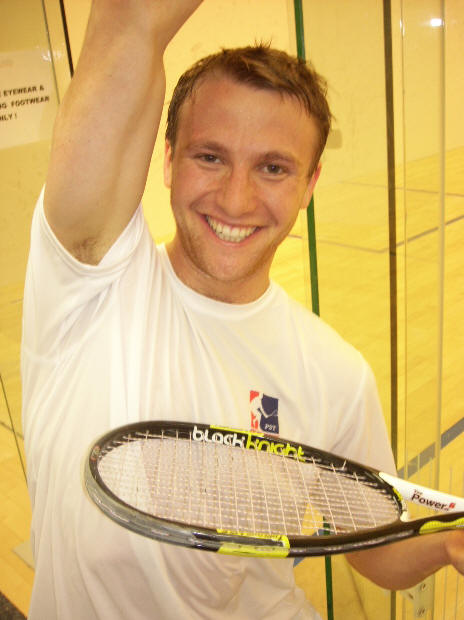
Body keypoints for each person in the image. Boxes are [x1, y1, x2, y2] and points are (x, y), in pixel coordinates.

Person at [21, 1, 463, 619]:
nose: (236, 198)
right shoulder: (87, 281)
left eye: (273, 168)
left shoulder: (336, 374)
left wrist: (450, 545)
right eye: (210, 156)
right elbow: (127, 18)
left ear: (310, 184)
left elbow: (375, 553)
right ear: (167, 159)